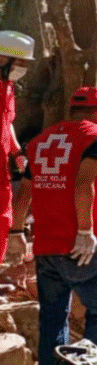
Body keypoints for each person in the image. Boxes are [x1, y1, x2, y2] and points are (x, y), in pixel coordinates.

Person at [7, 86, 97, 365]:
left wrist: (16, 233)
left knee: (53, 317)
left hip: (46, 245)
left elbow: (25, 191)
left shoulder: (42, 140)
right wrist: (85, 231)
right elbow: (84, 184)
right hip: (81, 245)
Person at [0, 30, 33, 264]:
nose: (21, 68)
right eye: (19, 62)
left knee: (3, 219)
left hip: (2, 169)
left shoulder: (7, 87)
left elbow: (7, 122)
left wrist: (18, 153)